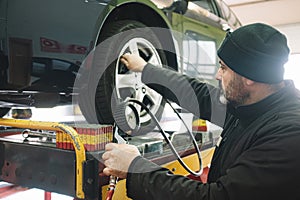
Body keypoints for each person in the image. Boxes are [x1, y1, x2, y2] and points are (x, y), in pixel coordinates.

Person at [102, 23, 300, 200]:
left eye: (224, 68)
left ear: (249, 77)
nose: (216, 75)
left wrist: (136, 169)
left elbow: (217, 197)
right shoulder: (254, 103)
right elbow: (201, 95)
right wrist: (146, 70)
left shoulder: (289, 133)